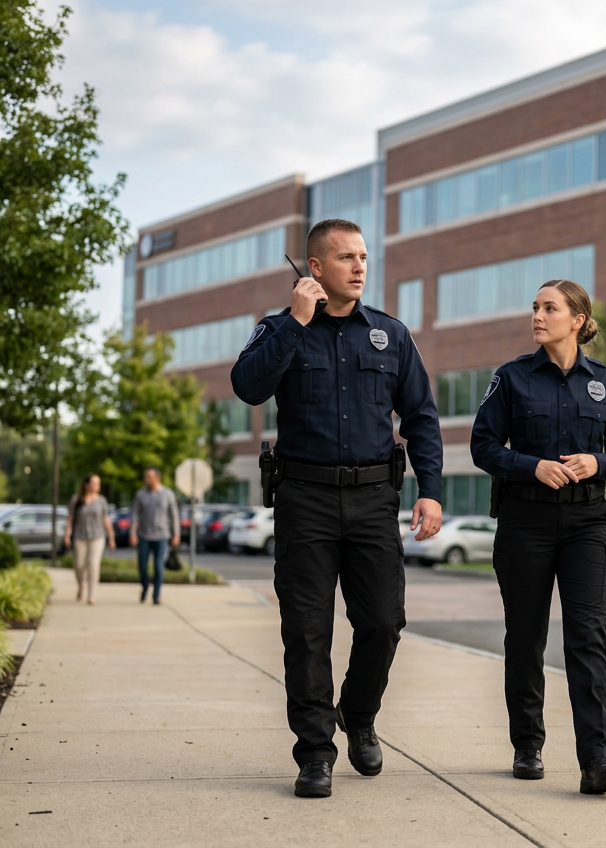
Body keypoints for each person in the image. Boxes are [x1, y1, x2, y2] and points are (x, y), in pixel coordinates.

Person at [231, 218, 443, 800]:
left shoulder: (390, 336)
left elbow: (421, 416)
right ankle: (316, 753)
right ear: (315, 268)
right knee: (306, 631)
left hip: (375, 499)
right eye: (346, 257)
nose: (359, 266)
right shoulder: (277, 328)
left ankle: (360, 713)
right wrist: (296, 323)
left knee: (382, 621)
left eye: (364, 256)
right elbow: (247, 387)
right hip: (306, 500)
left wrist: (431, 487)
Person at [471, 279, 606, 795]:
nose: (538, 316)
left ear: (578, 319)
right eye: (535, 308)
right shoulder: (512, 378)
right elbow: (482, 446)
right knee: (526, 637)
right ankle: (528, 745)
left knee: (587, 636)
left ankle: (597, 760)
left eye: (550, 308)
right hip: (526, 522)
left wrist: (598, 462)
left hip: (588, 524)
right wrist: (532, 467)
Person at [129, 467, 180, 605]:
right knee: (142, 566)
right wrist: (132, 533)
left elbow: (174, 515)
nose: (147, 479)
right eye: (145, 477)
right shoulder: (140, 495)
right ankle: (145, 587)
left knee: (159, 566)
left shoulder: (168, 494)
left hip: (162, 536)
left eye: (149, 477)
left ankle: (156, 595)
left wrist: (176, 533)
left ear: (158, 477)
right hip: (143, 535)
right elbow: (135, 515)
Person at [63, 474, 115, 605]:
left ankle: (91, 595)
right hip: (80, 537)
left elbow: (106, 519)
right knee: (79, 565)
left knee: (93, 564)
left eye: (98, 483)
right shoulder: (76, 499)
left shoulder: (101, 500)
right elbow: (70, 519)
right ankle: (81, 586)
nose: (97, 486)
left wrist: (111, 537)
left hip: (97, 537)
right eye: (94, 483)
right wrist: (67, 534)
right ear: (86, 485)